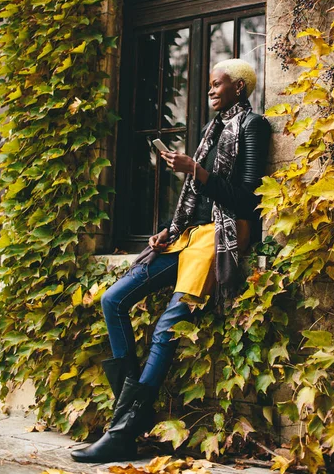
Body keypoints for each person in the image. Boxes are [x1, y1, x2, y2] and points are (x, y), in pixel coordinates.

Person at [71, 58, 271, 464]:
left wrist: (196, 170)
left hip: (218, 238)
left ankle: (123, 432)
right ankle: (128, 416)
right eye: (209, 84)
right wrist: (166, 228)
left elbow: (248, 201)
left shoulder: (253, 127)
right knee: (114, 300)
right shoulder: (211, 131)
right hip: (186, 237)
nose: (211, 90)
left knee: (166, 327)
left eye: (218, 84)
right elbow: (194, 203)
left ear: (240, 87)